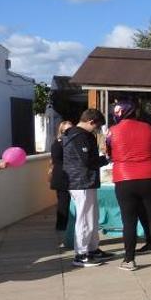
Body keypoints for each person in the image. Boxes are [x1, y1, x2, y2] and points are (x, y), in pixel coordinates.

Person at [106, 100, 151, 270]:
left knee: (129, 220)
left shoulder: (112, 131)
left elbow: (109, 153)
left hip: (124, 177)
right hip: (150, 175)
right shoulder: (148, 128)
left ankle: (129, 260)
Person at [63, 109, 112, 267]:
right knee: (84, 218)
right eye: (97, 127)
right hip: (80, 182)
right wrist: (106, 159)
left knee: (92, 216)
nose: (97, 130)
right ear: (91, 122)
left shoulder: (77, 134)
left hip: (85, 181)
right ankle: (81, 254)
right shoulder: (78, 136)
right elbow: (86, 161)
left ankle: (92, 249)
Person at [49, 120, 74, 234]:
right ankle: (62, 227)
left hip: (66, 175)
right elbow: (57, 160)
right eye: (67, 129)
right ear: (62, 131)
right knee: (63, 203)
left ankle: (65, 226)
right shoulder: (59, 143)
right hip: (62, 176)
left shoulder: (68, 142)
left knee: (65, 202)